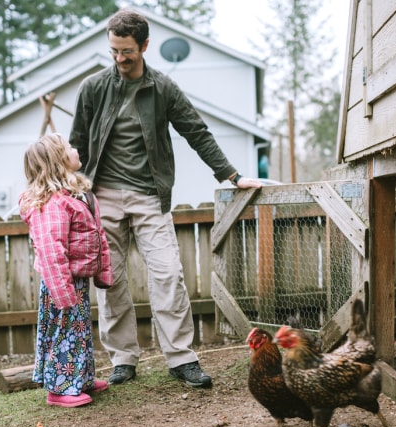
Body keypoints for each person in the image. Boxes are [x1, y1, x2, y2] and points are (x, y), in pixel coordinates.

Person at [69, 8, 262, 389]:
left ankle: (181, 357)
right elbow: (76, 143)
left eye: (127, 51)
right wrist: (70, 186)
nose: (120, 59)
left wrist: (232, 174)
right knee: (111, 282)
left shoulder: (162, 88)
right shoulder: (93, 88)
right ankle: (123, 358)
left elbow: (197, 132)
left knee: (168, 274)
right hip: (102, 196)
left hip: (148, 197)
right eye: (113, 51)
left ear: (144, 46)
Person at [19, 133, 114, 407]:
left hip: (77, 279)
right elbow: (51, 251)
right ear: (58, 161)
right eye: (69, 148)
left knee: (80, 331)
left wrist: (103, 272)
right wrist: (63, 291)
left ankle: (80, 379)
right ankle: (59, 390)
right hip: (60, 282)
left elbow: (97, 233)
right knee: (64, 334)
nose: (76, 149)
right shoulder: (52, 204)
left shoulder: (75, 195)